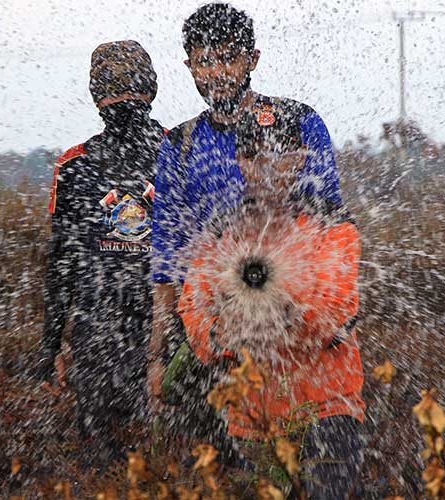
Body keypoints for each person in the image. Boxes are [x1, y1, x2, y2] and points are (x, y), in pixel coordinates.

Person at [149, 3, 364, 497]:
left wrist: (275, 316)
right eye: (204, 60)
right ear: (188, 65)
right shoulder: (180, 145)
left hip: (312, 362)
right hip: (218, 347)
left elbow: (329, 237)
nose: (217, 72)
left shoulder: (298, 122)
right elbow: (169, 258)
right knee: (221, 475)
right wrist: (161, 353)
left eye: (227, 58)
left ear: (252, 59)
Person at [35, 40, 165, 466]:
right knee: (165, 460)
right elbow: (62, 261)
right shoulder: (177, 150)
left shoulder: (77, 164)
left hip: (143, 333)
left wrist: (51, 345)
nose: (121, 100)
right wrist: (50, 346)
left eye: (122, 89)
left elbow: (62, 264)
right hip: (147, 330)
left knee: (108, 463)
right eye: (114, 90)